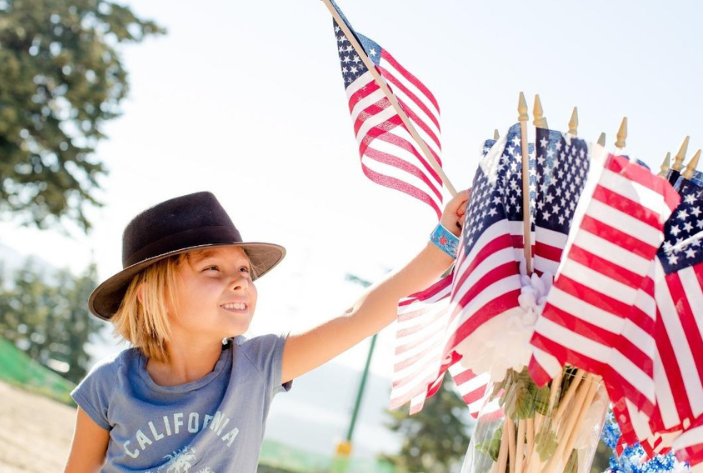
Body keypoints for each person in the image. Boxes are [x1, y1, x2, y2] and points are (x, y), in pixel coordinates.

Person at [63, 189, 469, 472]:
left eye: (244, 270)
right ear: (150, 296)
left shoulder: (257, 367)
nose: (240, 281)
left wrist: (444, 243)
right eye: (212, 269)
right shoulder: (106, 386)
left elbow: (356, 317)